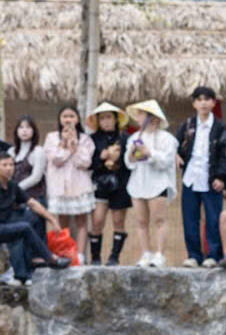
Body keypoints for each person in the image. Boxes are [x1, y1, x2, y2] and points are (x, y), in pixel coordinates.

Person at [0, 151, 71, 282]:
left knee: (34, 216)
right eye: (4, 165)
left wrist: (52, 219)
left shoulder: (12, 185)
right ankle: (50, 259)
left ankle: (34, 259)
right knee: (24, 227)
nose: (9, 168)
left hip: (5, 224)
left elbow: (32, 203)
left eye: (11, 165)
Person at [174, 86, 226, 268]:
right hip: (190, 177)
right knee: (190, 218)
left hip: (211, 179)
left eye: (207, 99)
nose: (203, 103)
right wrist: (175, 155)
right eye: (199, 99)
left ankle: (213, 255)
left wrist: (221, 177)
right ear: (194, 103)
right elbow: (176, 146)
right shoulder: (187, 125)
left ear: (214, 103)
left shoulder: (220, 126)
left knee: (213, 218)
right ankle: (193, 255)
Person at [124, 100, 179, 268]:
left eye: (142, 114)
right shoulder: (134, 138)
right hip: (138, 183)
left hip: (158, 183)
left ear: (153, 118)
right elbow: (128, 163)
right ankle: (145, 253)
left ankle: (159, 254)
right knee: (141, 221)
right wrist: (132, 155)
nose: (138, 118)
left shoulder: (167, 138)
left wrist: (150, 153)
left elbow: (167, 161)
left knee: (159, 219)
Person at [43, 105, 96, 265]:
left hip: (79, 184)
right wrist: (65, 145)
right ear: (60, 119)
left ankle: (79, 255)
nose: (68, 119)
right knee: (62, 221)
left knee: (81, 221)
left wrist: (75, 147)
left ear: (77, 119)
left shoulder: (85, 139)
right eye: (64, 116)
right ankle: (64, 252)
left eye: (71, 116)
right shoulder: (52, 137)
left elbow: (85, 163)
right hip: (59, 187)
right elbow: (55, 159)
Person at [86, 103, 130, 266]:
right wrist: (102, 157)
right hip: (99, 184)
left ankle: (114, 257)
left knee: (118, 221)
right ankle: (95, 257)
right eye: (102, 118)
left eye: (109, 117)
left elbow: (132, 162)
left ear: (116, 119)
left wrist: (119, 157)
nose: (106, 121)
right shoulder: (92, 139)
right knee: (97, 220)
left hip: (120, 184)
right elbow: (88, 164)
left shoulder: (126, 138)